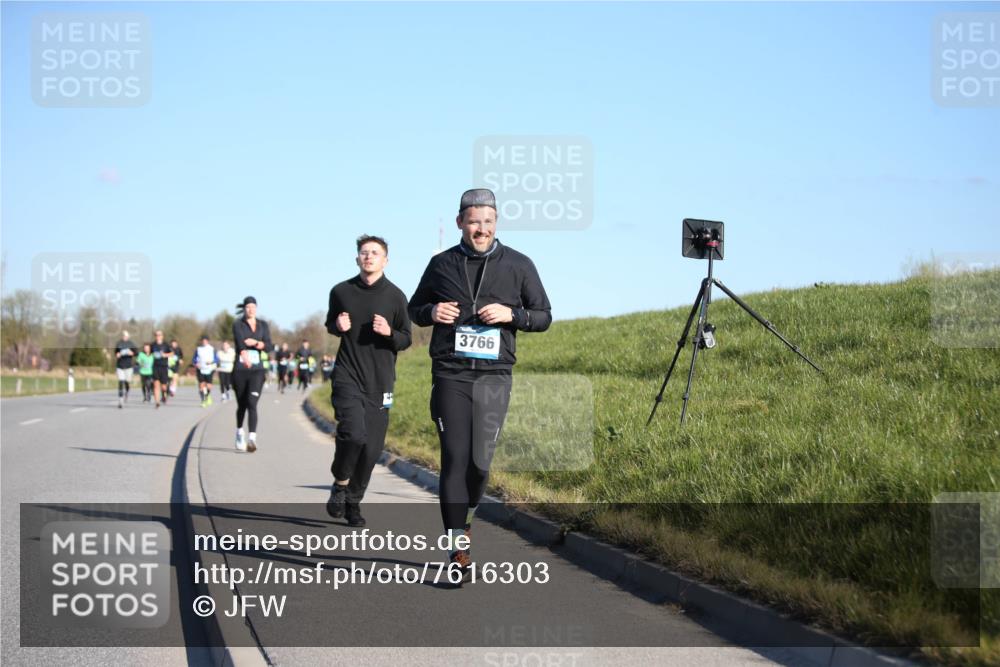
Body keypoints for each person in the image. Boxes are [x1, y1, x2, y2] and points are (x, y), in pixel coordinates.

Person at [408, 188, 551, 577]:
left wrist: (511, 314)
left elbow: (543, 316)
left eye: (487, 221)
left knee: (480, 463)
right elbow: (413, 309)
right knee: (454, 459)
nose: (481, 228)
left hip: (494, 376)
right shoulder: (441, 264)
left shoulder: (519, 265)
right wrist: (432, 310)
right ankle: (457, 547)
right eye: (473, 221)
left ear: (496, 223)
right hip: (451, 373)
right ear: (460, 223)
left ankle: (466, 519)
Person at [325, 234, 411, 527]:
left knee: (372, 449)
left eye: (375, 252)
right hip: (348, 375)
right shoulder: (341, 292)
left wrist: (389, 332)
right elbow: (330, 323)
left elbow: (405, 339)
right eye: (364, 252)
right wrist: (337, 326)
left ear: (385, 260)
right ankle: (339, 483)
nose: (369, 256)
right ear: (357, 258)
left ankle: (353, 502)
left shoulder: (396, 297)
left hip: (381, 382)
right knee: (353, 435)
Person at [232, 296, 273, 452]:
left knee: (252, 403)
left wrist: (256, 343)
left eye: (253, 307)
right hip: (241, 370)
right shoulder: (238, 324)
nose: (251, 309)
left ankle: (252, 439)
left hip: (257, 370)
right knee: (242, 405)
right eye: (248, 307)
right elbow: (240, 343)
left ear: (256, 308)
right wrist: (244, 354)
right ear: (244, 308)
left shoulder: (263, 325)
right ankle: (239, 432)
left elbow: (269, 345)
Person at [113, 330, 139, 409]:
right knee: (121, 381)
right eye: (123, 335)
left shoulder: (131, 344)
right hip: (120, 366)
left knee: (127, 382)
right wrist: (117, 354)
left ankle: (127, 392)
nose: (124, 337)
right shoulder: (119, 343)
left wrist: (132, 353)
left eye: (126, 336)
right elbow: (116, 352)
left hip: (128, 366)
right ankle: (120, 400)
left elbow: (136, 353)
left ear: (128, 336)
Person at [150, 330, 174, 408]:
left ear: (162, 336)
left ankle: (164, 394)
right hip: (155, 366)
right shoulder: (152, 345)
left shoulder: (166, 345)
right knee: (156, 385)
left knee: (164, 386)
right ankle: (157, 402)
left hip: (164, 367)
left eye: (159, 335)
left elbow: (172, 353)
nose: (158, 336)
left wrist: (165, 355)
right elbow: (148, 353)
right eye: (156, 335)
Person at [192, 335, 218, 407]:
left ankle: (207, 395)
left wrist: (211, 362)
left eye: (205, 340)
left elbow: (216, 359)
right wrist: (196, 364)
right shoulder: (198, 349)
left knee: (208, 386)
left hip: (209, 369)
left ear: (208, 341)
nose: (204, 342)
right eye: (203, 341)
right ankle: (203, 400)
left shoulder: (212, 349)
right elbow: (194, 359)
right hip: (200, 369)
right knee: (202, 386)